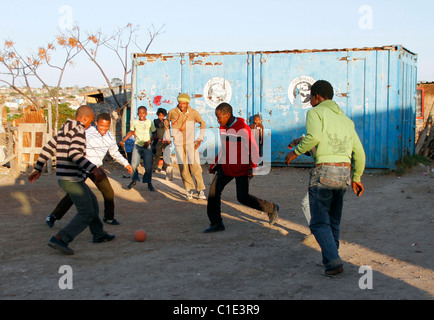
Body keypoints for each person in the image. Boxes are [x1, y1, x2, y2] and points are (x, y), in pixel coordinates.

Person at [285, 80, 366, 277]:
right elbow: (360, 153)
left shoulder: (315, 113)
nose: (310, 101)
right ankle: (331, 260)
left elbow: (313, 137)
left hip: (324, 171)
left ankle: (332, 261)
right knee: (333, 221)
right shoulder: (347, 121)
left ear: (317, 97)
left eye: (310, 97)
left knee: (319, 222)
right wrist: (357, 178)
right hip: (344, 173)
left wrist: (294, 152)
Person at [29, 105, 115, 255]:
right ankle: (61, 238)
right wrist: (92, 168)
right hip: (72, 179)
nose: (90, 126)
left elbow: (48, 147)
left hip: (66, 177)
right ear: (85, 119)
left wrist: (38, 167)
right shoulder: (79, 131)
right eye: (91, 122)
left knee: (93, 201)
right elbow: (74, 154)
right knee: (86, 212)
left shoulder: (64, 130)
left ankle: (99, 234)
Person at [45, 113, 133, 227]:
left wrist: (126, 163)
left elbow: (114, 153)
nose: (104, 129)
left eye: (107, 126)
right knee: (73, 194)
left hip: (96, 168)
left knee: (109, 192)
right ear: (96, 123)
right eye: (102, 126)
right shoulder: (86, 132)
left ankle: (109, 218)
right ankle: (53, 216)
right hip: (83, 166)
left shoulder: (110, 136)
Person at [204, 102, 279, 233]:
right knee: (213, 193)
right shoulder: (223, 127)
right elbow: (224, 148)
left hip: (242, 168)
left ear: (227, 115)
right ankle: (216, 223)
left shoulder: (243, 128)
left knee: (242, 198)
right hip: (227, 167)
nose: (217, 120)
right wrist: (215, 165)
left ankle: (271, 208)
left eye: (219, 117)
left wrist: (253, 167)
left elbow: (253, 148)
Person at [164, 93, 207, 201]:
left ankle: (200, 189)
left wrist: (200, 138)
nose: (182, 105)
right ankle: (189, 190)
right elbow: (166, 122)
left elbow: (203, 123)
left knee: (195, 166)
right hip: (178, 144)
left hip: (190, 143)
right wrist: (168, 135)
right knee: (183, 168)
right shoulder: (172, 112)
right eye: (180, 103)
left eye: (184, 103)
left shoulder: (193, 113)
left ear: (188, 103)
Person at [120, 106, 156, 191]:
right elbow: (131, 132)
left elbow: (155, 134)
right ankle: (134, 180)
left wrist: (149, 141)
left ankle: (149, 183)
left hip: (147, 147)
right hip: (137, 146)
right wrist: (123, 140)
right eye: (139, 113)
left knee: (148, 166)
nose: (141, 115)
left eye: (143, 113)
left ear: (146, 113)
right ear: (137, 114)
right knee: (133, 164)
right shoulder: (135, 123)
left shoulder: (150, 123)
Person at [152, 108, 169, 172]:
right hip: (159, 140)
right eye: (160, 115)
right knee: (157, 154)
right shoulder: (156, 121)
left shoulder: (165, 121)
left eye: (162, 115)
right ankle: (154, 168)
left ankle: (164, 167)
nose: (161, 117)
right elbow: (159, 125)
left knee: (166, 154)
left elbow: (168, 129)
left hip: (166, 139)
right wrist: (165, 122)